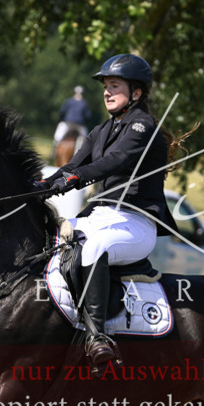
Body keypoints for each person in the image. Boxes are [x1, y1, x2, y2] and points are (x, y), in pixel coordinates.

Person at [37, 53, 178, 374]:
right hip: (101, 217)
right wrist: (42, 184)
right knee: (49, 238)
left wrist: (75, 179)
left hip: (135, 223)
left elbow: (115, 160)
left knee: (93, 246)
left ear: (137, 93)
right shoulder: (101, 129)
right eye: (105, 86)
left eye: (114, 85)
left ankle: (98, 337)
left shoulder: (143, 125)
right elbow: (73, 165)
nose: (106, 91)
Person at [52, 85, 92, 152]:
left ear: (74, 93)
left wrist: (60, 121)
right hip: (79, 125)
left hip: (68, 124)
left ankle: (54, 152)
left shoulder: (69, 101)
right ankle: (81, 155)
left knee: (57, 136)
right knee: (85, 140)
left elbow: (62, 111)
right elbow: (88, 116)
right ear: (83, 94)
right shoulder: (84, 103)